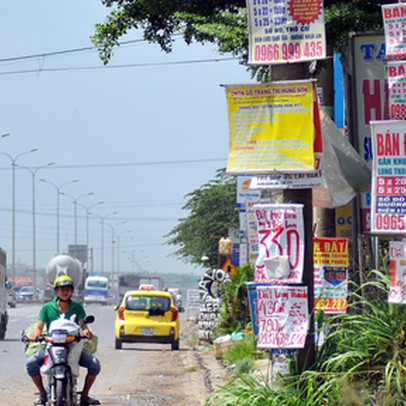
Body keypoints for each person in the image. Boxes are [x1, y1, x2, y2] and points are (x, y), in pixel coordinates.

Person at [26, 275, 101, 406]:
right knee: (31, 363)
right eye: (61, 289)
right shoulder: (47, 308)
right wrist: (34, 336)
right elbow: (39, 326)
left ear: (71, 291)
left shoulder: (77, 307)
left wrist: (85, 332)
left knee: (94, 364)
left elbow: (83, 324)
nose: (65, 292)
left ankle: (84, 395)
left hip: (73, 346)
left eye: (67, 289)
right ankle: (43, 394)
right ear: (56, 291)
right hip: (52, 346)